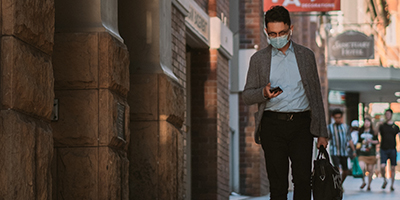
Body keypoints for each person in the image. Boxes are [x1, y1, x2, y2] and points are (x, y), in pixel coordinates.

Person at [242, 6, 328, 200]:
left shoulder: (306, 56)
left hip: (301, 125)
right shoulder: (259, 60)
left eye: (282, 32)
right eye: (272, 33)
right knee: (278, 184)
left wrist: (322, 133)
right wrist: (263, 93)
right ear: (266, 32)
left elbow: (315, 95)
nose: (277, 37)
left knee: (303, 181)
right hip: (272, 126)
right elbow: (247, 96)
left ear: (291, 29)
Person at [327, 109, 356, 184]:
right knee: (337, 169)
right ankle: (336, 185)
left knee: (345, 171)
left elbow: (349, 140)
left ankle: (340, 184)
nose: (338, 119)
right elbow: (327, 139)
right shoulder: (330, 127)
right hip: (334, 151)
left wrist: (354, 150)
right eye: (336, 117)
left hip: (344, 152)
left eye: (339, 117)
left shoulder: (346, 127)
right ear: (333, 118)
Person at [377, 109, 399, 191]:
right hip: (383, 149)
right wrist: (378, 124)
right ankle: (385, 180)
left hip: (393, 149)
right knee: (382, 166)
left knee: (393, 167)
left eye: (389, 114)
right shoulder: (382, 126)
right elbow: (376, 134)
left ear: (391, 115)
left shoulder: (395, 127)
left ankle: (392, 185)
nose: (387, 115)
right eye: (386, 114)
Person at [356, 117, 379, 191]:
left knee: (370, 170)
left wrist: (371, 141)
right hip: (362, 153)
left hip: (371, 153)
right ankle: (363, 181)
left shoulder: (373, 132)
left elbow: (377, 141)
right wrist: (358, 146)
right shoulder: (360, 131)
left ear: (370, 123)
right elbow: (358, 142)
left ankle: (369, 184)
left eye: (368, 122)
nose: (367, 123)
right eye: (365, 122)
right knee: (361, 167)